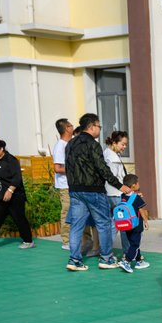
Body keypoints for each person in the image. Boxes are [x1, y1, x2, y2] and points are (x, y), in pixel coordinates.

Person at [65, 113, 130, 272]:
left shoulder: (70, 144)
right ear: (92, 126)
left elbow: (68, 168)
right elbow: (102, 168)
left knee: (76, 225)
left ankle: (74, 260)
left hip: (75, 190)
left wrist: (72, 186)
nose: (100, 129)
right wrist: (119, 185)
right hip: (93, 190)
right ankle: (106, 258)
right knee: (104, 224)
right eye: (99, 126)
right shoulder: (93, 145)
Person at [117, 174, 149, 274]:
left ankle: (139, 261)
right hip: (136, 225)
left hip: (126, 225)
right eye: (137, 182)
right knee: (135, 244)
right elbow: (142, 211)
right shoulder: (137, 198)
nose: (139, 184)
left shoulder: (122, 196)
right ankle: (127, 261)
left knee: (133, 243)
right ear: (134, 185)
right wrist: (146, 221)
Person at [51, 118, 74, 249]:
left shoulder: (71, 143)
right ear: (66, 129)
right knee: (67, 211)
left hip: (74, 184)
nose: (72, 127)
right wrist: (74, 170)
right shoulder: (60, 146)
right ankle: (66, 241)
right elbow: (57, 168)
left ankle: (80, 239)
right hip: (65, 185)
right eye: (70, 125)